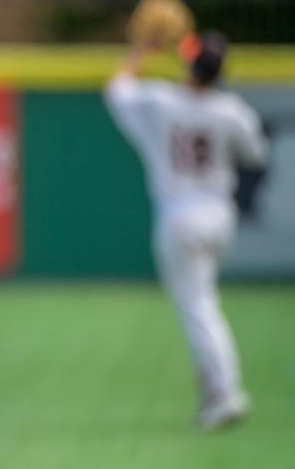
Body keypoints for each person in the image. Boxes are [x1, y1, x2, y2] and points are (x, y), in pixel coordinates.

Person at [104, 29, 269, 430]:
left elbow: (116, 89)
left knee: (198, 308)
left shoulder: (161, 100)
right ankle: (214, 388)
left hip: (180, 215)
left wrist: (141, 49)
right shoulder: (231, 109)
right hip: (219, 213)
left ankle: (225, 392)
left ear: (189, 65)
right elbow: (256, 154)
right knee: (203, 301)